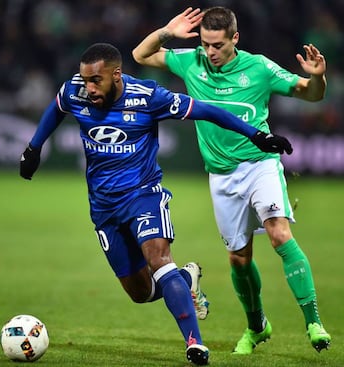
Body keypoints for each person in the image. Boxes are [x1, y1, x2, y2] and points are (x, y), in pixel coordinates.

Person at [19, 42, 292, 365]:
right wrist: (34, 148)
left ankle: (194, 344)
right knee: (140, 292)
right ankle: (186, 279)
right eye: (85, 79)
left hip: (143, 195)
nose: (89, 88)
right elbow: (56, 107)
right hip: (103, 207)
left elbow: (206, 109)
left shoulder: (148, 97)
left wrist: (255, 135)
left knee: (159, 259)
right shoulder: (75, 90)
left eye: (96, 81)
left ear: (116, 75)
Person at [132, 6, 331, 355]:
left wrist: (317, 77)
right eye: (206, 44)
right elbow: (140, 54)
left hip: (260, 164)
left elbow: (312, 94)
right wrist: (167, 31)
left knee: (278, 232)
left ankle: (313, 321)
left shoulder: (258, 67)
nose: (210, 52)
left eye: (218, 45)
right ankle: (257, 327)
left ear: (235, 39)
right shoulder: (191, 61)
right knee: (239, 258)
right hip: (221, 176)